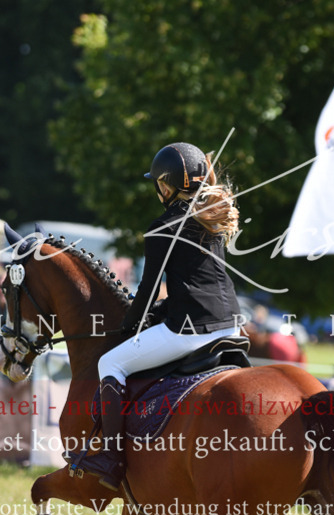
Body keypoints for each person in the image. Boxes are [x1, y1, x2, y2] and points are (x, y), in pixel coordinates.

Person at [76, 142, 242, 490]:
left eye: (159, 183)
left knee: (111, 363)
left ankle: (111, 457)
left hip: (192, 329)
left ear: (167, 185)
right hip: (231, 323)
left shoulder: (163, 226)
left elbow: (149, 288)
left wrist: (128, 329)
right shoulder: (209, 214)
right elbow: (197, 280)